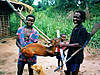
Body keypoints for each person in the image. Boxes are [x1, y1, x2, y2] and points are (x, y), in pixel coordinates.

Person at [64, 10, 89, 75]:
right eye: (74, 17)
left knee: (74, 72)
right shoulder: (75, 29)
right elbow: (71, 42)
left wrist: (65, 44)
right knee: (68, 70)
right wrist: (65, 49)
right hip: (70, 53)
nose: (75, 19)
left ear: (82, 19)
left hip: (77, 56)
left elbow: (79, 44)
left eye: (77, 17)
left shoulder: (83, 30)